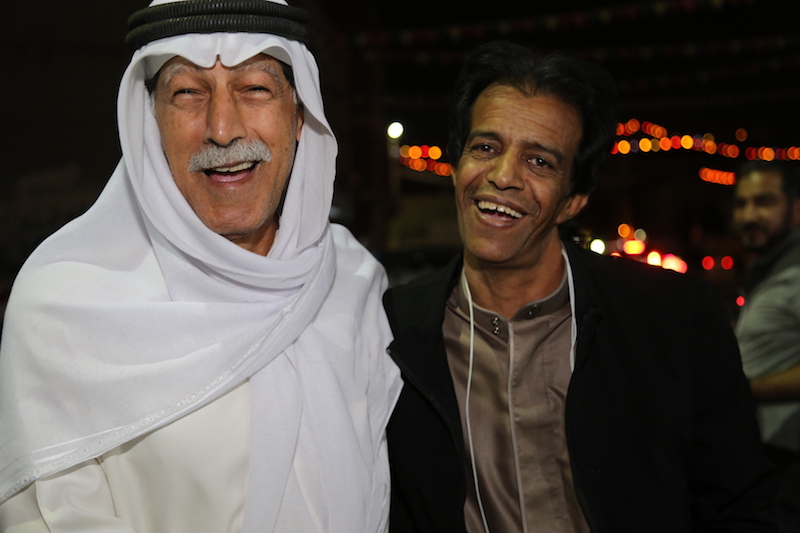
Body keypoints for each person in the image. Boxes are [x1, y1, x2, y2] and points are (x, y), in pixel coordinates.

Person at [0, 0, 402, 531]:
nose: (222, 128)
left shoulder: (351, 279)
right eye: (188, 93)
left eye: (254, 88)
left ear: (299, 116)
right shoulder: (65, 304)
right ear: (150, 123)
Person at [383, 40, 776, 532]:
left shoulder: (673, 319)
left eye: (539, 162)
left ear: (574, 199)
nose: (503, 176)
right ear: (458, 164)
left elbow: (740, 505)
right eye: (485, 148)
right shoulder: (394, 329)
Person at [732, 159, 800, 530]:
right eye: (741, 204)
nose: (749, 216)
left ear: (796, 207)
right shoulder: (773, 267)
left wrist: (747, 388)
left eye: (764, 202)